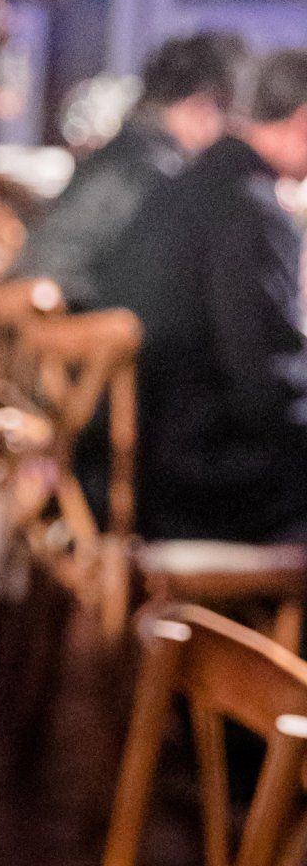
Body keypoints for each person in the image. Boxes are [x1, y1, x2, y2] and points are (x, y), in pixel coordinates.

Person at [99, 48, 307, 541]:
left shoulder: (187, 183)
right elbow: (265, 391)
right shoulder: (250, 209)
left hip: (133, 463)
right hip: (194, 485)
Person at [16, 30, 252, 308]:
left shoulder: (125, 151)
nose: (231, 130)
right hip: (87, 328)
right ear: (200, 105)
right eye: (230, 115)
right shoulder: (155, 174)